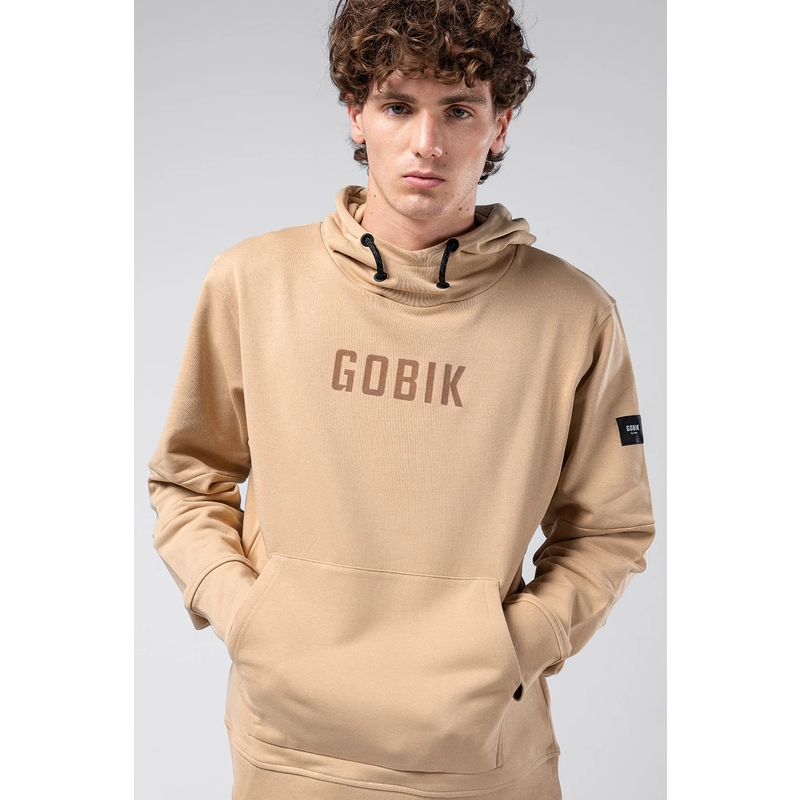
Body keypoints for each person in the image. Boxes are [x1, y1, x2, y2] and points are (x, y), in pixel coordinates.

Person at [147, 1, 657, 798]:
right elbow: (187, 480)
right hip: (289, 754)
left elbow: (610, 528)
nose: (427, 143)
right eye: (397, 106)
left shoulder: (574, 315)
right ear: (356, 114)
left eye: (458, 110)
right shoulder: (251, 282)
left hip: (482, 761)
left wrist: (510, 650)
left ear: (500, 125)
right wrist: (249, 620)